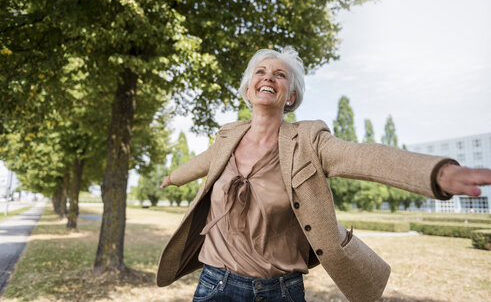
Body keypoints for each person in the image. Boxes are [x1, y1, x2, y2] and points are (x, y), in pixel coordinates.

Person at [156, 46, 491, 302]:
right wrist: (173, 177)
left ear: (291, 97)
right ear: (248, 90)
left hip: (280, 290)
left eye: (280, 74)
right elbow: (203, 162)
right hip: (216, 284)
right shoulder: (227, 136)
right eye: (261, 71)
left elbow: (364, 157)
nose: (269, 77)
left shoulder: (308, 139)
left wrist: (437, 173)